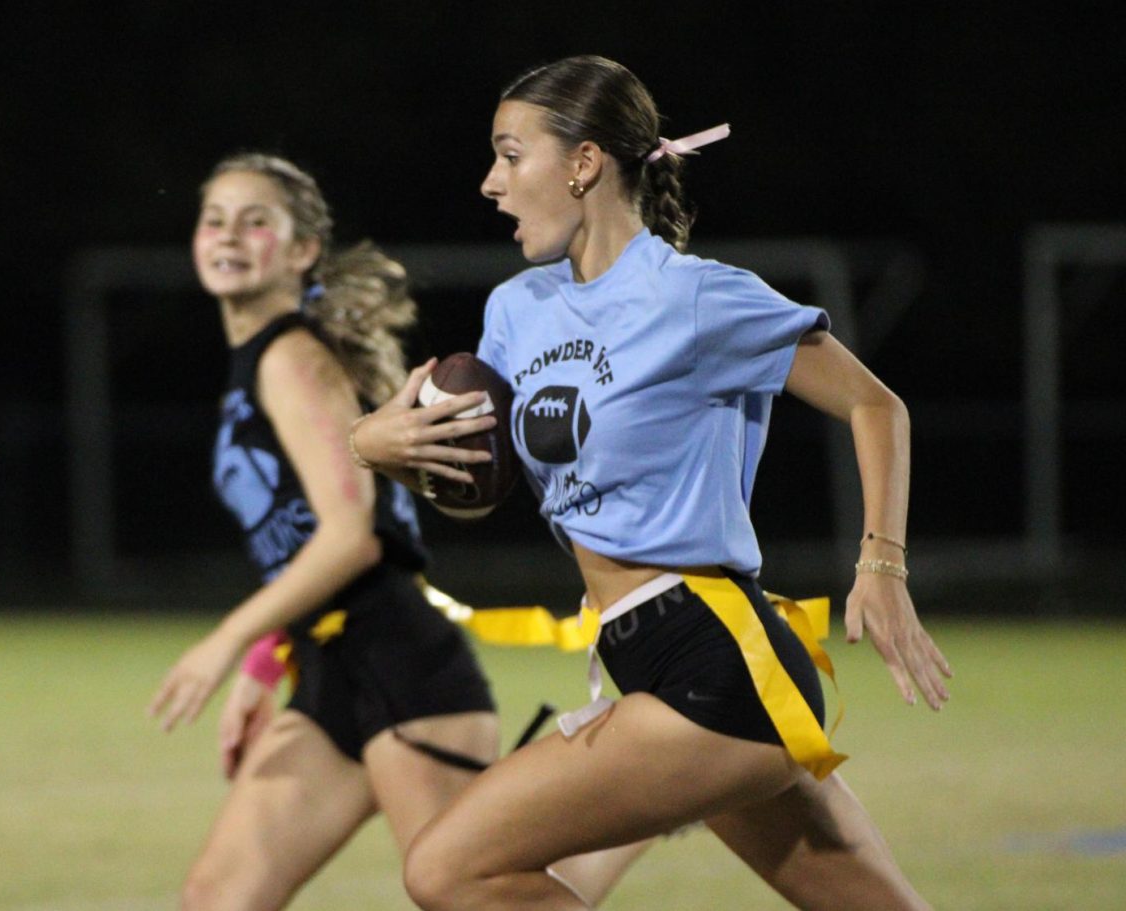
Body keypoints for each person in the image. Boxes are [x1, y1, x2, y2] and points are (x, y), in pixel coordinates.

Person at [348, 55, 954, 910]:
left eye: (511, 155)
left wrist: (882, 567)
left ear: (585, 163)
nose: (490, 182)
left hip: (717, 660)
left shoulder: (694, 298)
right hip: (644, 658)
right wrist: (376, 442)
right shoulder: (517, 311)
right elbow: (480, 485)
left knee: (448, 867)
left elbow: (875, 405)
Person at [147, 152, 646, 911]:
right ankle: (629, 807)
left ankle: (634, 811)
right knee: (217, 898)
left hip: (401, 667)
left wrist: (222, 643)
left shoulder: (289, 358)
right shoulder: (264, 357)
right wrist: (262, 657)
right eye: (215, 219)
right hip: (331, 669)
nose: (229, 235)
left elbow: (352, 539)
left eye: (256, 221)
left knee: (473, 891)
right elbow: (301, 532)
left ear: (303, 249)